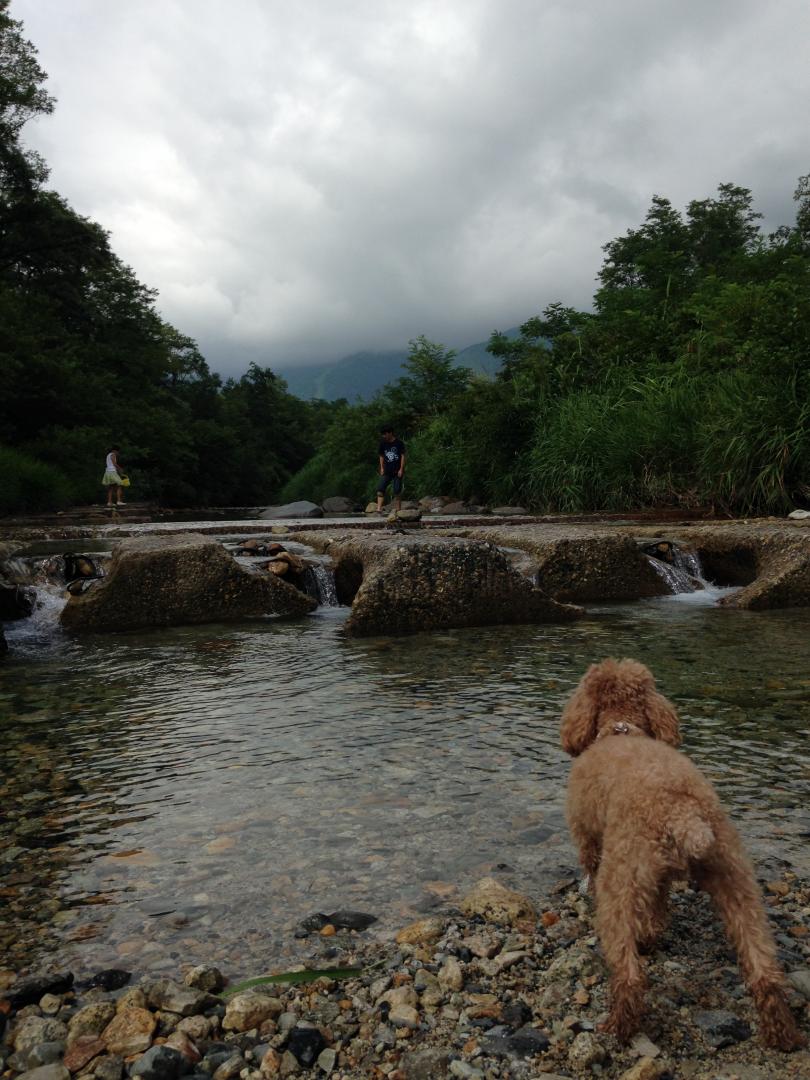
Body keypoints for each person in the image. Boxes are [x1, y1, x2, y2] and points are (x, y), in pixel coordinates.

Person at [376, 425, 406, 513]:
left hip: (397, 470)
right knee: (380, 489)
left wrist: (401, 469)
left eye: (385, 434)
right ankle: (378, 509)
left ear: (390, 433)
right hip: (387, 470)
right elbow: (381, 456)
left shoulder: (399, 443)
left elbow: (403, 456)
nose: (383, 436)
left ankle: (398, 509)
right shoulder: (383, 443)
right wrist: (381, 468)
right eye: (383, 434)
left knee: (397, 490)